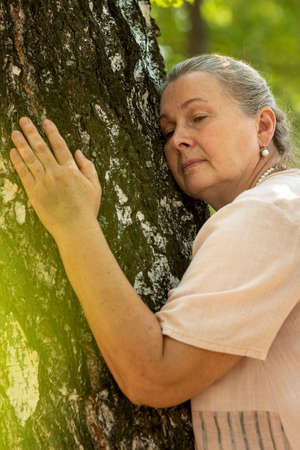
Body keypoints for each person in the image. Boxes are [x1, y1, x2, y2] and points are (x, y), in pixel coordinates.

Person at [9, 54, 300, 449]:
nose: (178, 139)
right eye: (167, 131)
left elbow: (154, 377)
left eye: (198, 118)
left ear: (263, 126)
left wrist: (73, 224)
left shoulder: (269, 213)